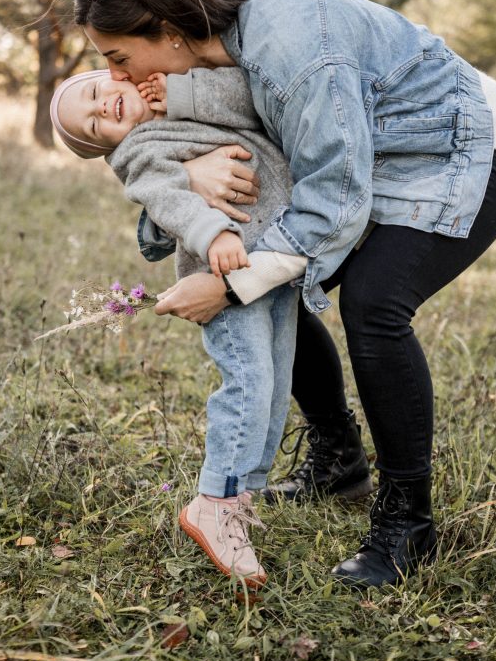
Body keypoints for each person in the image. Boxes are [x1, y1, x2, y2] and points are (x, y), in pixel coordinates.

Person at [73, 0, 496, 590]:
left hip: (463, 139)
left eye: (119, 58)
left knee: (373, 303)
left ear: (167, 29)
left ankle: (407, 523)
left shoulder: (291, 44)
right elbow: (225, 149)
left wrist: (230, 286)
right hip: (378, 154)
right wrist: (191, 174)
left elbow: (334, 200)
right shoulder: (212, 56)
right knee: (281, 280)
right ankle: (337, 461)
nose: (117, 79)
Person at [49, 64, 313, 589]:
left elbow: (246, 98)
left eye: (97, 92)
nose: (103, 107)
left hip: (269, 262)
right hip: (219, 272)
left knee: (276, 380)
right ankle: (215, 501)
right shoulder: (138, 152)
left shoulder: (178, 94)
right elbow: (169, 198)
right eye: (95, 124)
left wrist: (181, 91)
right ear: (106, 147)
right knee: (248, 380)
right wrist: (214, 233)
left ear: (115, 76)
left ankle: (241, 493)